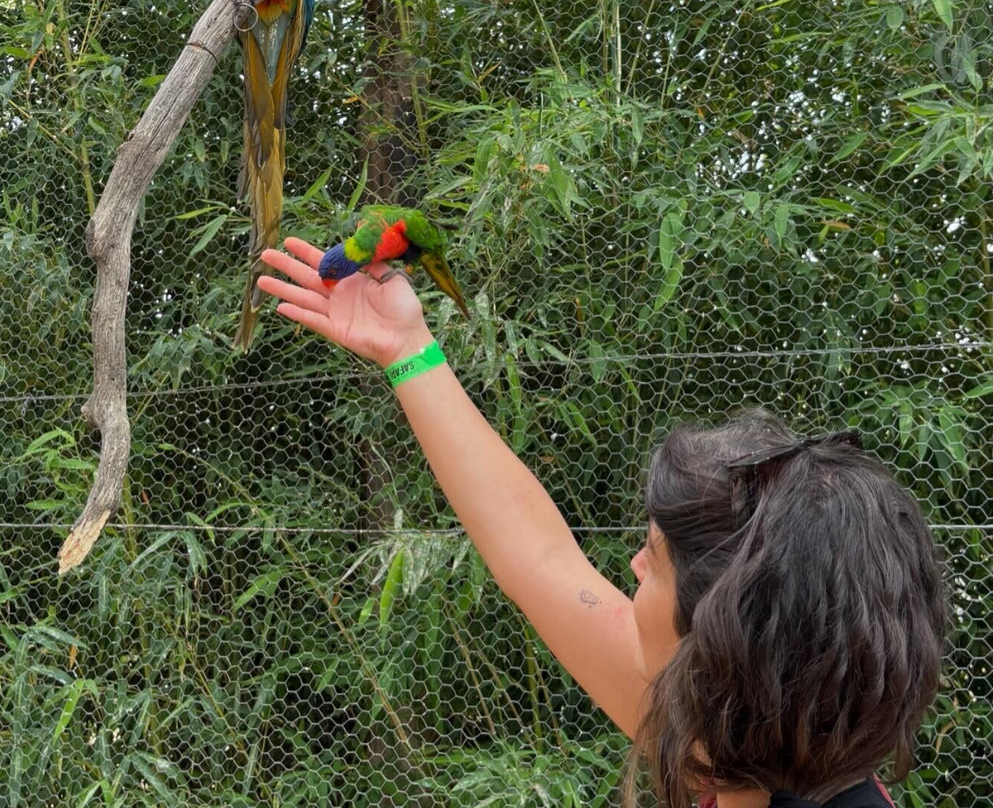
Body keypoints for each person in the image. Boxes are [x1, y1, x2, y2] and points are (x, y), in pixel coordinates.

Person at [254, 237, 948, 808]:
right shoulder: (743, 747)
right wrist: (411, 351)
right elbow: (541, 560)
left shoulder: (727, 749)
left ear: (716, 644)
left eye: (656, 558)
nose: (634, 568)